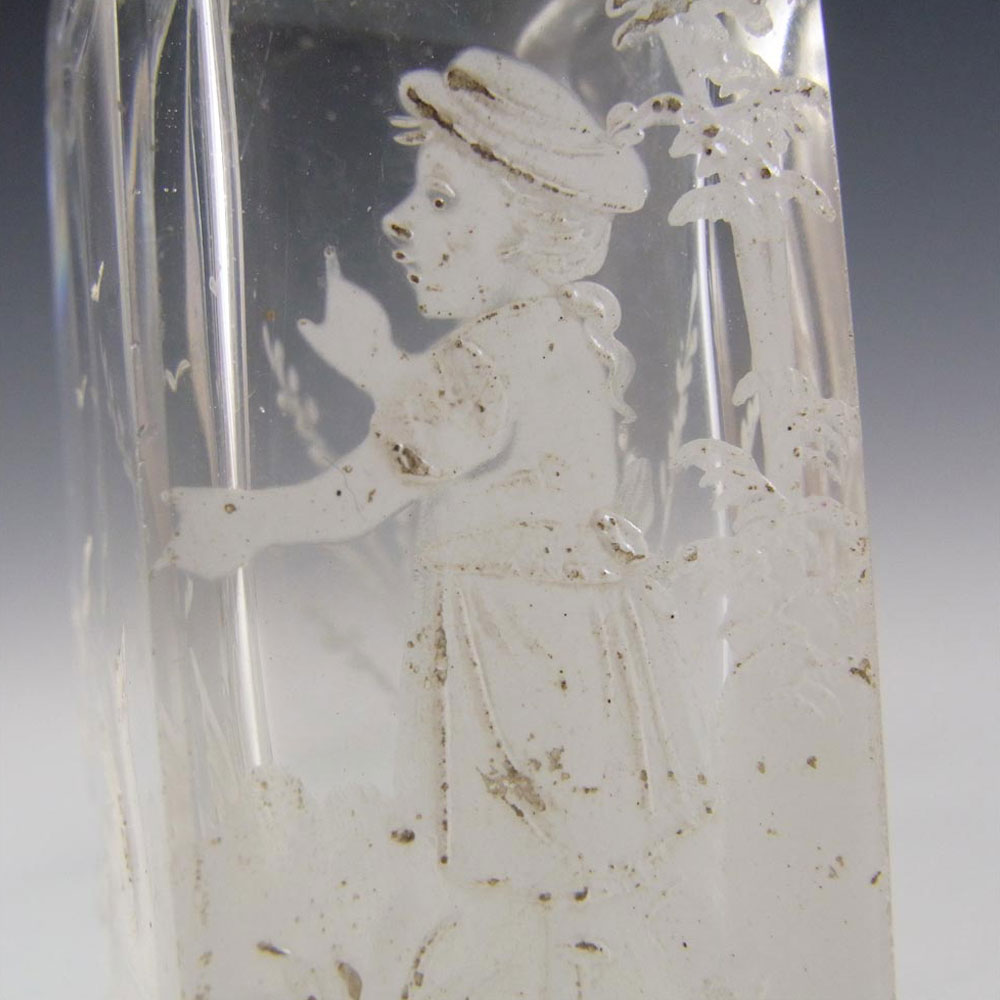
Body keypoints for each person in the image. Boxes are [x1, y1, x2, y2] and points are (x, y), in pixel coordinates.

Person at [168, 47, 710, 999]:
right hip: (579, 626)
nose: (399, 220)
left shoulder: (490, 355)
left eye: (444, 199)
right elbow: (467, 431)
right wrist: (381, 364)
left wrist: (241, 520)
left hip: (514, 641)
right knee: (572, 860)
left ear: (532, 225)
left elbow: (367, 489)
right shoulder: (561, 330)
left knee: (524, 861)